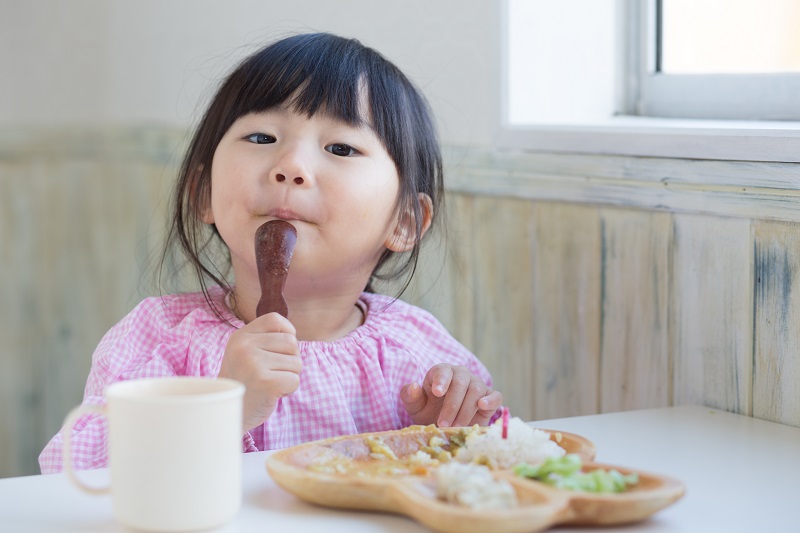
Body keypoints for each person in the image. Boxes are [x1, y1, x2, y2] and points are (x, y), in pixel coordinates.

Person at [39, 32, 503, 473]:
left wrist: (446, 431)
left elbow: (505, 466)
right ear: (204, 193)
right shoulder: (158, 341)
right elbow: (72, 474)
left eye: (341, 147)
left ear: (402, 221)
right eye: (262, 138)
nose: (291, 167)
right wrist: (220, 411)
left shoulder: (418, 351)